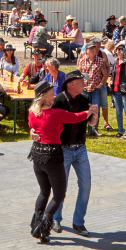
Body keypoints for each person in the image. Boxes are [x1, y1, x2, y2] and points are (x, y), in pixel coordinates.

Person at [27, 80, 97, 243]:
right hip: (52, 157)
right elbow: (74, 118)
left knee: (44, 192)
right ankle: (44, 227)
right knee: (58, 194)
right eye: (52, 93)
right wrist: (89, 112)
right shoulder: (55, 113)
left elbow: (32, 126)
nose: (54, 95)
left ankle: (36, 224)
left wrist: (32, 132)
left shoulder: (32, 112)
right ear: (44, 97)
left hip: (37, 157)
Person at [48, 70, 100, 236]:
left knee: (86, 186)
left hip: (81, 148)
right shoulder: (59, 100)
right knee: (60, 188)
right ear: (71, 84)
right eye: (81, 81)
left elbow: (91, 123)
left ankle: (78, 222)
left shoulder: (85, 99)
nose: (84, 83)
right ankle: (56, 219)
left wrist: (95, 116)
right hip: (63, 149)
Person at [78, 43, 108, 136]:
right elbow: (78, 73)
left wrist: (101, 84)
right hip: (85, 88)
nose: (92, 50)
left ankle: (95, 128)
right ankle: (87, 129)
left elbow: (105, 74)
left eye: (93, 49)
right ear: (86, 50)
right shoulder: (82, 61)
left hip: (95, 88)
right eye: (90, 49)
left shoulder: (100, 61)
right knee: (85, 108)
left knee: (96, 107)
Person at [111, 41, 126, 139]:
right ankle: (120, 130)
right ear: (116, 51)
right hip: (116, 89)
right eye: (119, 49)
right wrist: (111, 81)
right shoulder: (115, 62)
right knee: (118, 111)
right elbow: (114, 74)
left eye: (123, 49)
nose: (121, 51)